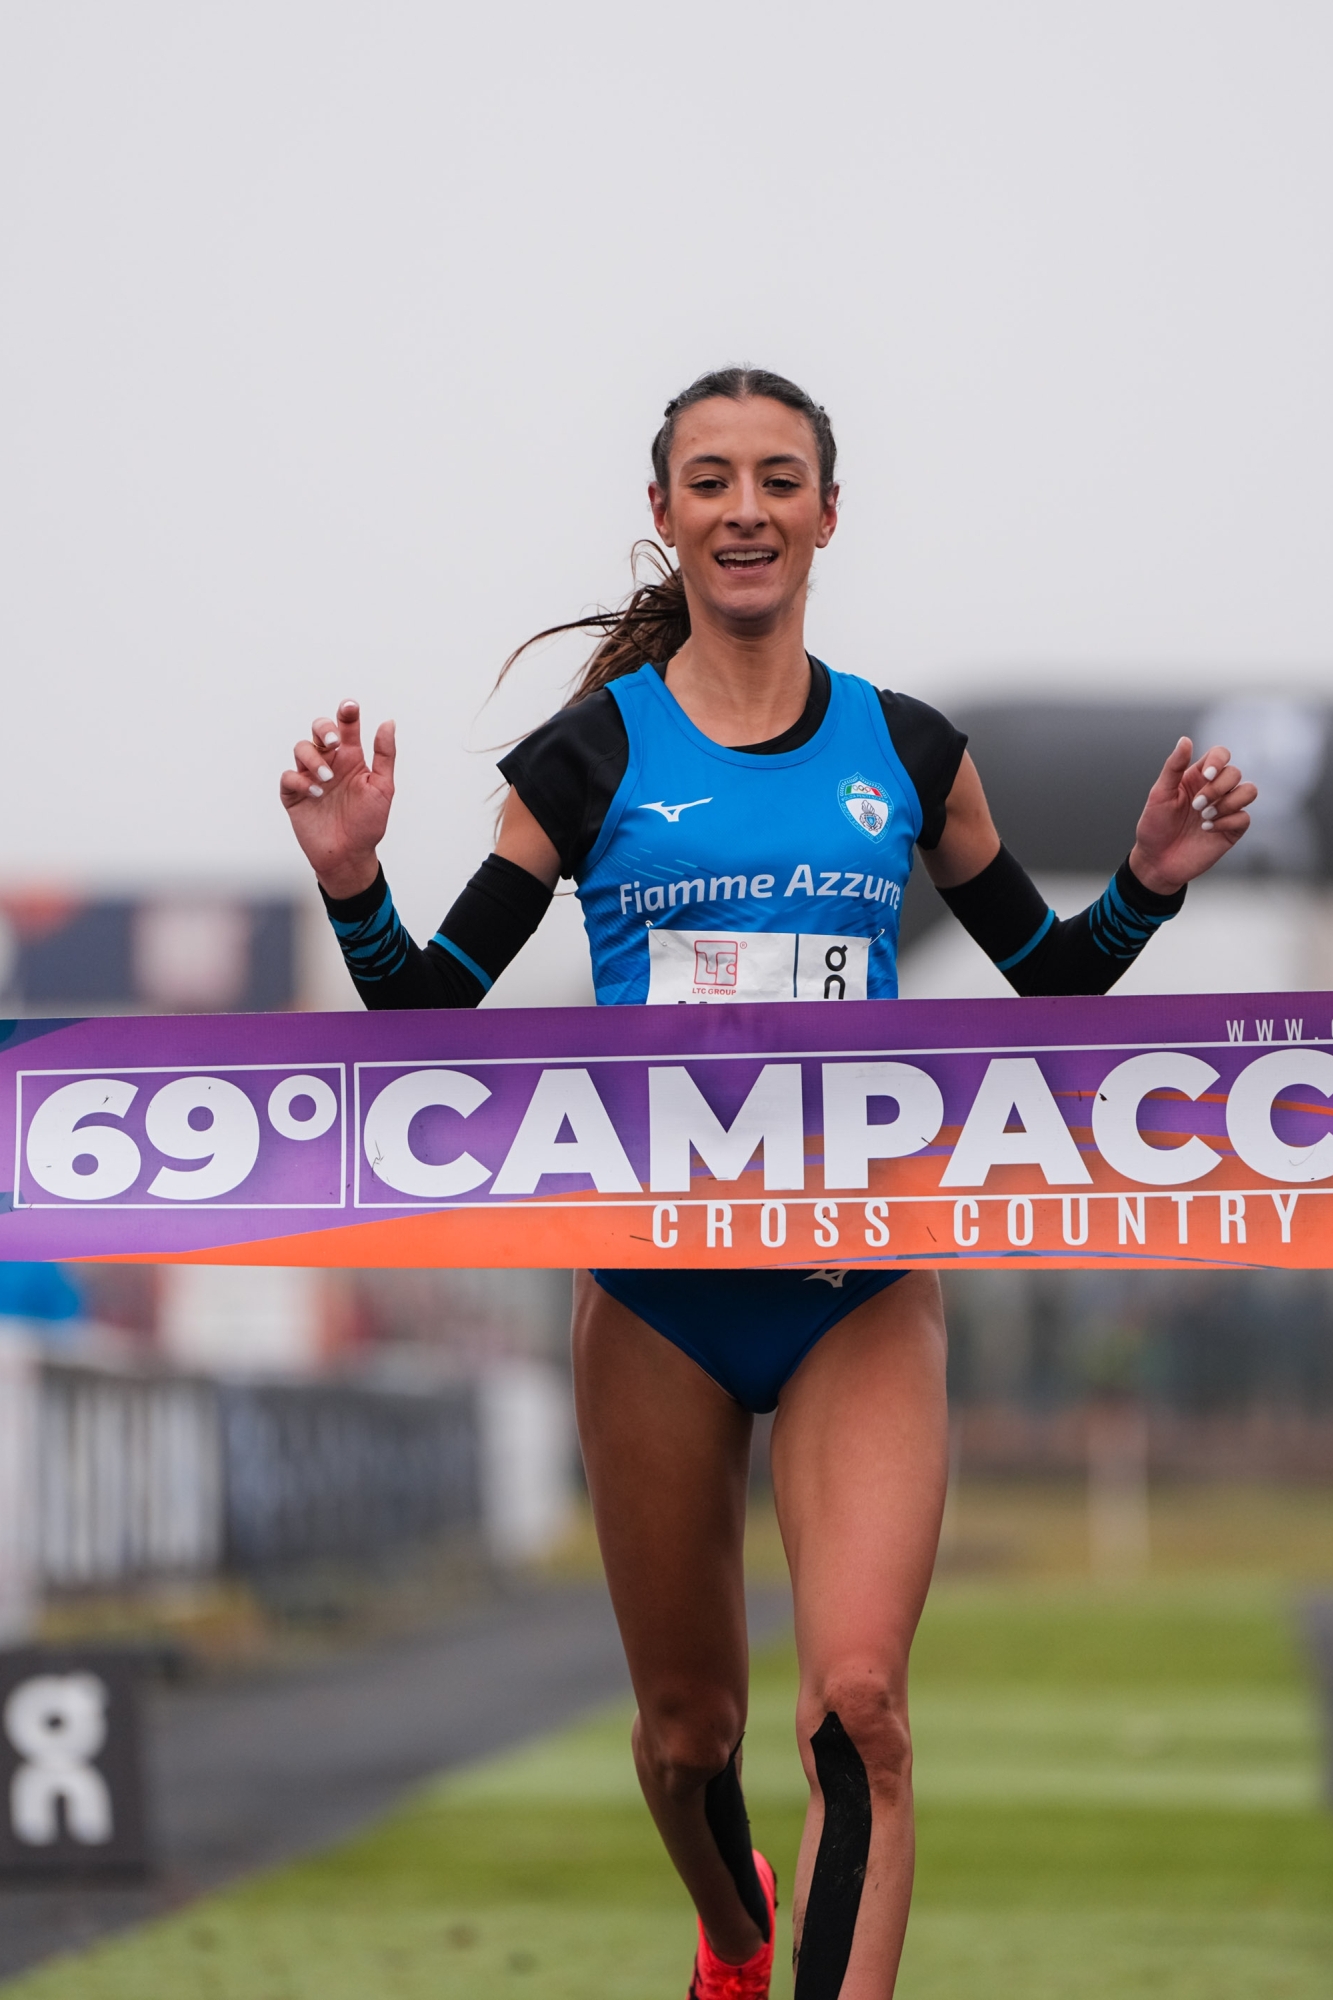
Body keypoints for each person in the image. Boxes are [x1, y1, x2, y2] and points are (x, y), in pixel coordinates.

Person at [278, 367, 1255, 2000]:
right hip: (653, 1300)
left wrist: (1146, 889)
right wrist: (353, 881)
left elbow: (1049, 987)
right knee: (687, 1737)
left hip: (855, 1289)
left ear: (827, 515)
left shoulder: (909, 750)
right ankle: (734, 1934)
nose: (747, 509)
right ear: (664, 514)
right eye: (714, 479)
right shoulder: (588, 756)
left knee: (858, 1706)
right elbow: (430, 1025)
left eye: (779, 479)